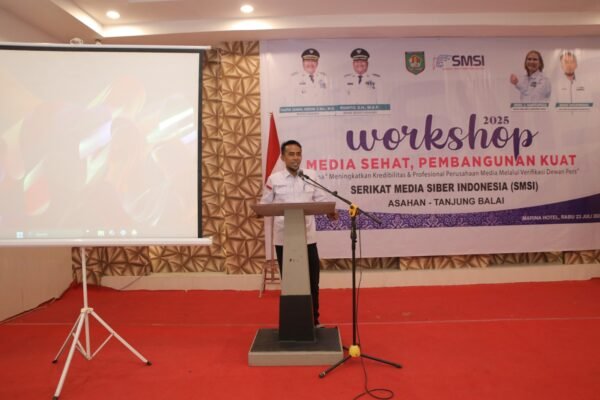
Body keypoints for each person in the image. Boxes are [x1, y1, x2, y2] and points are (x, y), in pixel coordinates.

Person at [261, 140, 338, 326]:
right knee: (290, 283)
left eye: (298, 154)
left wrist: (329, 211)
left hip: (308, 238)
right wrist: (258, 211)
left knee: (312, 282)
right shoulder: (274, 180)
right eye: (291, 154)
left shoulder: (310, 176)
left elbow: (321, 200)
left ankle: (314, 320)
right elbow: (265, 204)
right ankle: (292, 323)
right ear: (282, 157)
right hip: (284, 239)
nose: (295, 158)